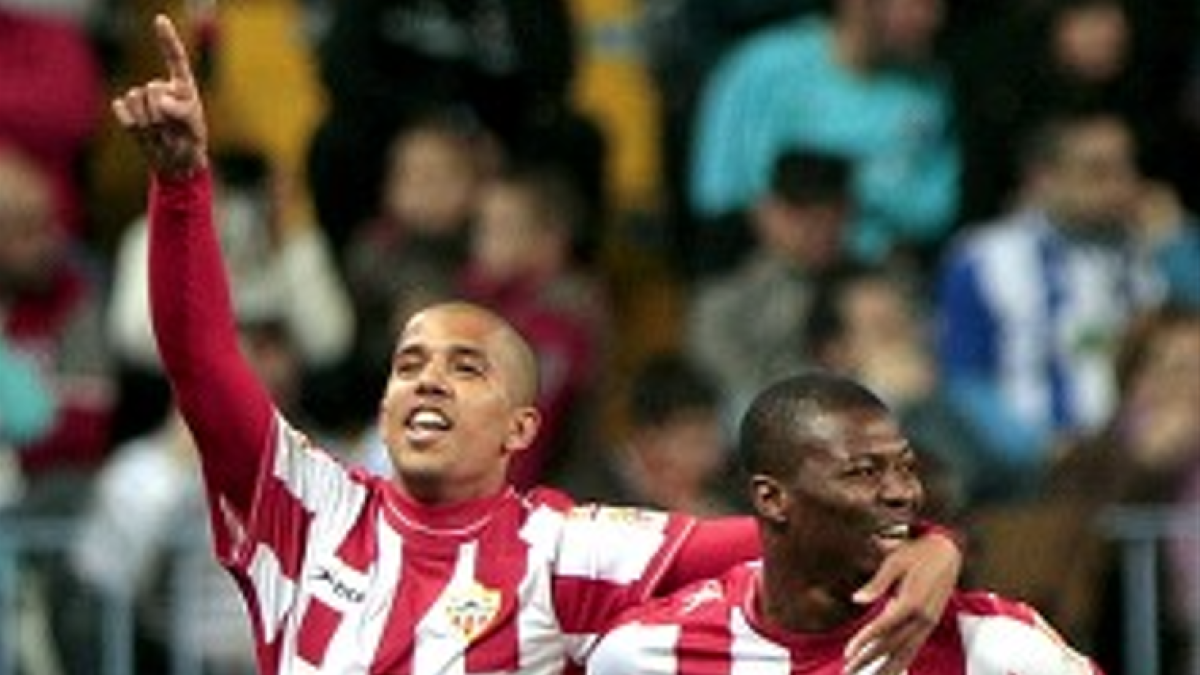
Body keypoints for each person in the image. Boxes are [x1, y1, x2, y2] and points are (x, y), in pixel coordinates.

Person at [110, 15, 961, 674]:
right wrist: (181, 184)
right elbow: (201, 359)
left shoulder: (563, 548)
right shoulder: (307, 507)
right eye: (409, 365)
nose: (428, 382)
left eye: (464, 366)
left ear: (522, 427)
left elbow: (787, 527)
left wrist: (928, 541)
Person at [586, 371, 1106, 674]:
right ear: (772, 498)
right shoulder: (648, 654)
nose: (904, 492)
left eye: (905, 467)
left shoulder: (996, 645)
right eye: (863, 472)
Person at [934, 108, 1165, 495]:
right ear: (1044, 179)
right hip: (1030, 485)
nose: (1122, 185)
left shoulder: (1148, 255)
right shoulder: (985, 258)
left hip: (1139, 477)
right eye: (1097, 172)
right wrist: (1038, 449)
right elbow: (965, 382)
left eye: (1127, 168)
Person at [688, 0, 958, 264]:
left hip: (879, 272)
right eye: (917, 4)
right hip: (762, 272)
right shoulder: (760, 68)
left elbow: (938, 209)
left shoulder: (929, 89)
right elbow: (716, 195)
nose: (933, 18)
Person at [685, 148, 852, 433]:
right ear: (770, 212)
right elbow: (719, 369)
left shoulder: (859, 279)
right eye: (809, 220)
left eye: (834, 221)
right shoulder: (732, 279)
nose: (823, 233)